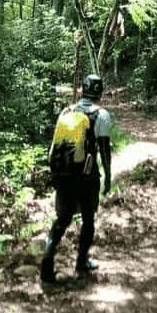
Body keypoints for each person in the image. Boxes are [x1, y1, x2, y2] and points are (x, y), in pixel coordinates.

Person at [40, 73, 112, 283]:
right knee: (88, 219)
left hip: (63, 175)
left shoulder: (67, 110)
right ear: (100, 92)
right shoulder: (102, 115)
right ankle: (81, 262)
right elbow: (105, 150)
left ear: (82, 89)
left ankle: (46, 263)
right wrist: (107, 177)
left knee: (62, 220)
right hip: (86, 177)